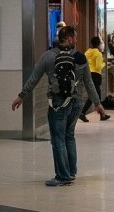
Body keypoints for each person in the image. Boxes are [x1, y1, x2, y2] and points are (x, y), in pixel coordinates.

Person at [12, 26, 106, 187]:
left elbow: (34, 78)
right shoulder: (80, 58)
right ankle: (70, 172)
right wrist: (97, 103)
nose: (76, 41)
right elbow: (88, 83)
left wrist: (22, 95)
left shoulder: (48, 56)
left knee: (58, 139)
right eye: (74, 38)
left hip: (58, 103)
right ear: (68, 38)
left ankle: (62, 176)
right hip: (76, 103)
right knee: (69, 136)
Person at [80, 36, 110, 122]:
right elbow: (98, 67)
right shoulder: (98, 53)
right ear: (98, 44)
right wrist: (104, 63)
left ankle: (102, 114)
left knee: (96, 95)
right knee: (94, 96)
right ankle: (83, 112)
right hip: (96, 76)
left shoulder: (87, 52)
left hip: (88, 75)